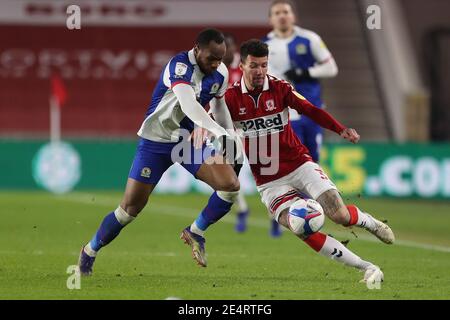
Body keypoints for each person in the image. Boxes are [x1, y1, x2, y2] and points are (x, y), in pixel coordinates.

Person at [213, 38, 394, 282]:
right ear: (242, 65)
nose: (260, 72)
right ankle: (365, 267)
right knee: (301, 227)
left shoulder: (280, 88)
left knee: (339, 215)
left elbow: (310, 109)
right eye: (254, 66)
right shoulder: (231, 99)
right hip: (268, 181)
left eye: (264, 65)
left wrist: (340, 129)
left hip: (300, 164)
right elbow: (212, 122)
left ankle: (369, 222)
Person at [77, 28, 241, 274]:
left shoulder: (220, 73)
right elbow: (188, 105)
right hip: (155, 142)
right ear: (197, 49)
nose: (216, 64)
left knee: (230, 185)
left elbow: (219, 106)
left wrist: (230, 135)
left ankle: (195, 231)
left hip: (186, 142)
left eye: (220, 58)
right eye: (211, 58)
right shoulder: (179, 66)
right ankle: (90, 250)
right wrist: (219, 132)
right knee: (129, 210)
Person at [264, 0, 339, 236]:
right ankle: (281, 212)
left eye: (285, 12)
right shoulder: (265, 46)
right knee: (287, 165)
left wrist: (306, 72)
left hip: (311, 112)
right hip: (285, 117)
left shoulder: (310, 39)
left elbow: (331, 68)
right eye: (277, 13)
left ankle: (308, 211)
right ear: (271, 19)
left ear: (293, 16)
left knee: (312, 164)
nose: (282, 16)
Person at [223, 33, 251, 234]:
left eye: (229, 47)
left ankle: (276, 216)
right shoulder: (216, 69)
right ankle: (242, 210)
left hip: (251, 125)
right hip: (229, 128)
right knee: (230, 172)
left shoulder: (245, 67)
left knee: (267, 168)